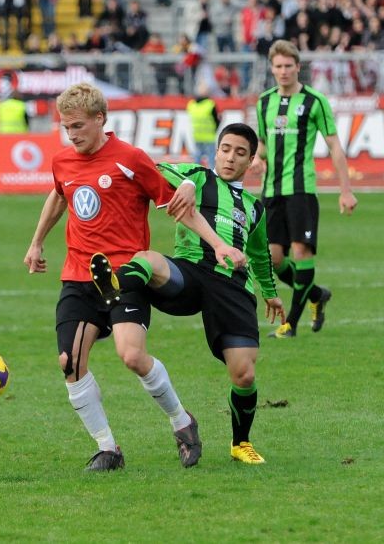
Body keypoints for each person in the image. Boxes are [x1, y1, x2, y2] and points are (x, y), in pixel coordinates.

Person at [23, 83, 245, 472]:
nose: (71, 134)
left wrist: (218, 244)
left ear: (100, 119)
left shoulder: (130, 159)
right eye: (66, 127)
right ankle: (108, 448)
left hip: (125, 274)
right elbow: (59, 194)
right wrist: (37, 242)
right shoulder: (63, 161)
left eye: (78, 126)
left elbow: (179, 206)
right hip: (79, 275)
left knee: (132, 356)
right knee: (69, 361)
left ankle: (182, 422)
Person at [89, 123, 285, 464]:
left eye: (240, 153)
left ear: (251, 160)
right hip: (189, 273)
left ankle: (240, 443)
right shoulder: (198, 176)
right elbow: (152, 169)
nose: (230, 158)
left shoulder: (255, 208)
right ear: (216, 151)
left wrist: (271, 293)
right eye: (225, 149)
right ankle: (113, 288)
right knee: (148, 259)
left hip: (232, 286)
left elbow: (259, 254)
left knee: (244, 374)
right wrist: (189, 183)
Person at [250, 39, 358, 339]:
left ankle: (291, 325)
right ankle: (316, 295)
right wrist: (257, 159)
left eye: (288, 65)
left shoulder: (315, 101)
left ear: (298, 67)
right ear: (272, 69)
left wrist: (346, 190)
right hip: (271, 191)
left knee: (300, 251)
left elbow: (334, 145)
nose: (283, 71)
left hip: (301, 190)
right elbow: (263, 144)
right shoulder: (264, 102)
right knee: (273, 258)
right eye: (278, 66)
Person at [186, 82, 220, 168]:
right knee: (211, 158)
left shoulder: (191, 104)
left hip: (197, 135)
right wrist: (215, 129)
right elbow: (216, 119)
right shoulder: (210, 104)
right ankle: (212, 174)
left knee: (197, 157)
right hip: (209, 136)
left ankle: (195, 172)